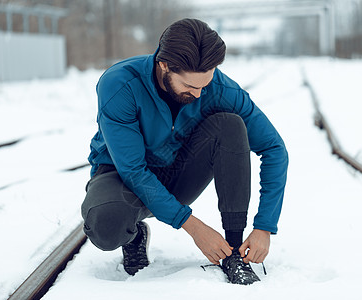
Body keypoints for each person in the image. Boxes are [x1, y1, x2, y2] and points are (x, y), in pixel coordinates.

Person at [81, 18, 288, 285]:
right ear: (164, 65)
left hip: (178, 172)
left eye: (205, 84)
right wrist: (193, 227)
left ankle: (232, 250)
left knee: (230, 125)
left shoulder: (220, 89)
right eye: (190, 87)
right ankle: (134, 236)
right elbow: (133, 170)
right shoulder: (120, 84)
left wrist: (264, 226)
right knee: (106, 227)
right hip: (122, 176)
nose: (200, 94)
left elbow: (274, 149)